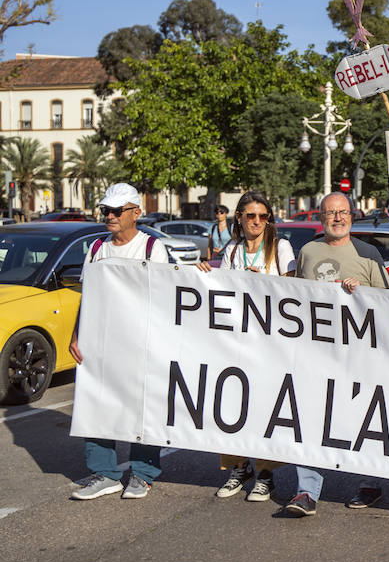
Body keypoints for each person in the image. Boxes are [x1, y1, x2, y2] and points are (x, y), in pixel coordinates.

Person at [285, 191, 389, 517]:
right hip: (317, 352)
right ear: (320, 217)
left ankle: (369, 484)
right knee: (309, 418)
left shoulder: (369, 254)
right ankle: (307, 491)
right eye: (330, 213)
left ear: (352, 215)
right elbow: (294, 298)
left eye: (342, 212)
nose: (337, 218)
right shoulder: (307, 251)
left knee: (363, 417)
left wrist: (362, 295)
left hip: (359, 354)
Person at [70, 183, 174, 501]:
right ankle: (105, 472)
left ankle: (142, 474)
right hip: (100, 341)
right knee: (97, 404)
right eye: (106, 210)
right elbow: (87, 293)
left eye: (117, 211)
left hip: (139, 342)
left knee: (141, 407)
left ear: (136, 213)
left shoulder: (152, 249)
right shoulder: (97, 248)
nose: (110, 216)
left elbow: (164, 298)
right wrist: (76, 334)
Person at [199, 190, 294, 503]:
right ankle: (239, 467)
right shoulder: (233, 249)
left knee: (265, 407)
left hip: (269, 343)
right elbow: (222, 290)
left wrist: (265, 282)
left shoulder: (280, 248)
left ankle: (266, 473)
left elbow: (296, 292)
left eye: (263, 216)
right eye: (250, 216)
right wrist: (205, 276)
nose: (256, 221)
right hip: (236, 341)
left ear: (270, 219)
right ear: (239, 218)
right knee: (232, 404)